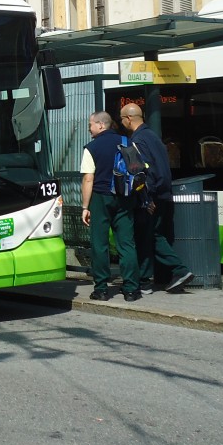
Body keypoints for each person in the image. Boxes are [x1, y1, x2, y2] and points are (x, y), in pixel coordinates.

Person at [120, 104, 194, 294]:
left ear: (128, 119)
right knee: (155, 235)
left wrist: (147, 198)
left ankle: (178, 270)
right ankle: (150, 278)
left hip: (153, 196)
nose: (121, 123)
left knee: (149, 236)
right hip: (165, 193)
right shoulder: (153, 136)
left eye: (121, 119)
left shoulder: (137, 140)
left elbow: (145, 171)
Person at [79, 111, 141, 302]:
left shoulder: (92, 147)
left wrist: (85, 207)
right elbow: (138, 169)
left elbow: (88, 179)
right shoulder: (128, 141)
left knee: (100, 244)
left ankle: (102, 289)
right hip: (125, 197)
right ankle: (131, 289)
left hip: (101, 197)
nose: (89, 128)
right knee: (126, 243)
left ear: (101, 125)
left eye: (90, 124)